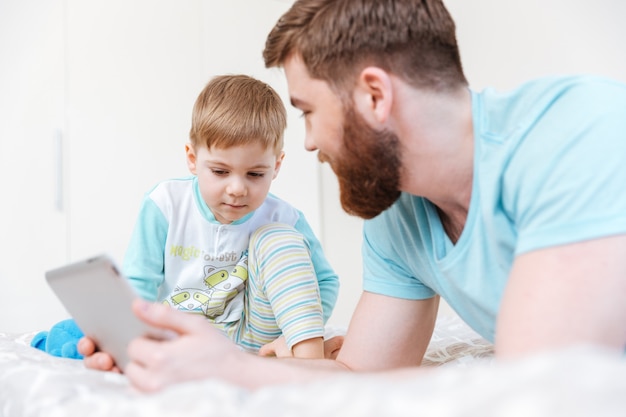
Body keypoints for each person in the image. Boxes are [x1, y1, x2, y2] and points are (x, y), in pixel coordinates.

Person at [84, 0, 626, 391]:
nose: (310, 142)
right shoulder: (398, 215)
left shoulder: (579, 131)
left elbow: (545, 388)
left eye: (308, 112)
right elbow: (359, 377)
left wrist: (243, 370)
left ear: (374, 95)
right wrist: (211, 363)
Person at [64, 74, 340, 366]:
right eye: (220, 172)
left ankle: (309, 361)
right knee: (73, 333)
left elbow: (325, 282)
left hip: (254, 341)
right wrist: (135, 340)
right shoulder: (165, 204)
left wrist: (292, 335)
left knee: (278, 237)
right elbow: (139, 284)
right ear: (193, 159)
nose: (237, 189)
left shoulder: (285, 218)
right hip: (178, 336)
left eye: (256, 174)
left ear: (276, 166)